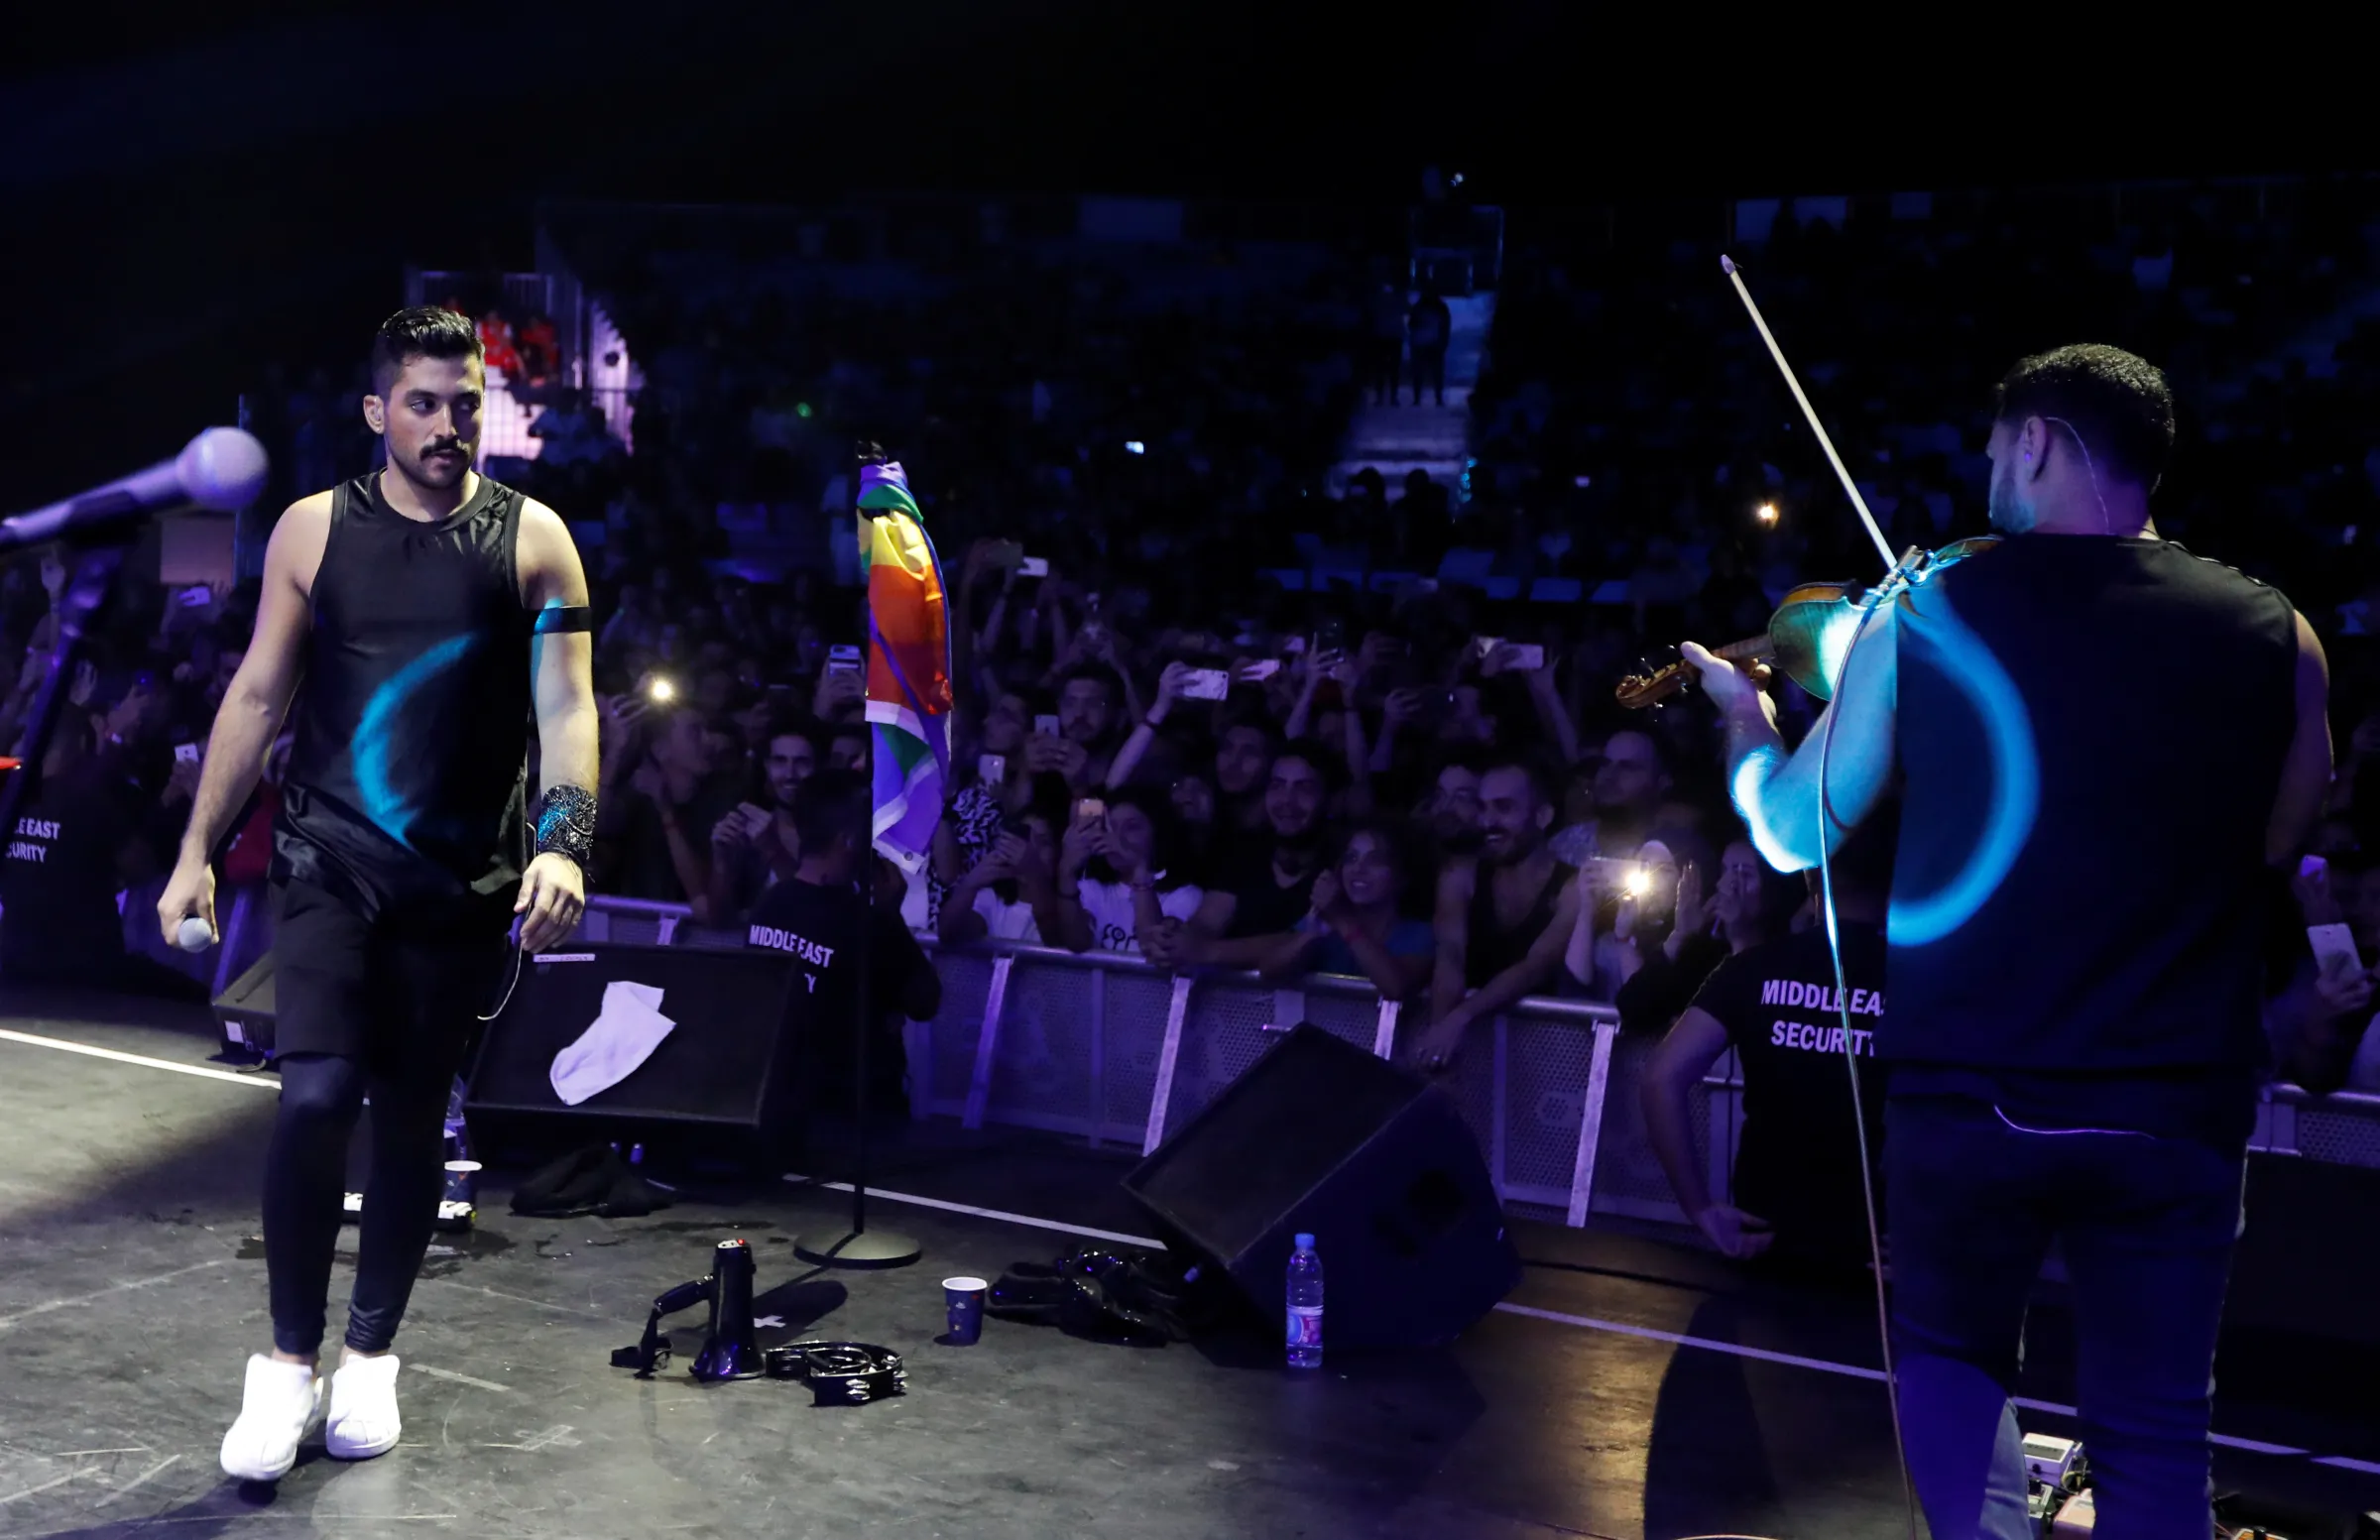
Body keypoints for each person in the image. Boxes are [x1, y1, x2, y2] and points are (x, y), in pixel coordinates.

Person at [1685, 344, 2330, 1537]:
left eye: (1993, 442)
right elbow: (2279, 839)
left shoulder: (1926, 609)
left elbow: (1788, 836)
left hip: (1973, 1097)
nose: (1986, 463)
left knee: (1954, 1386)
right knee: (2155, 1439)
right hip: (2176, 1101)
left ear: (2036, 439)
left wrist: (1743, 721)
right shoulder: (2280, 633)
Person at [159, 307, 595, 1482]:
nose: (449, 424)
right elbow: (256, 698)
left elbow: (568, 708)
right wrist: (197, 846)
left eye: (464, 403)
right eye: (425, 402)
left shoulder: (537, 539)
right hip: (326, 861)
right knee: (314, 1096)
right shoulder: (312, 531)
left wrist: (566, 842)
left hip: (459, 883)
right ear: (377, 411)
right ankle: (285, 1366)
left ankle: (369, 1357)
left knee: (408, 1122)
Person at [1639, 815, 1893, 1277]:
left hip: (1763, 1238)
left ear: (1811, 873)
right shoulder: (1927, 981)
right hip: (1884, 1250)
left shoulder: (1756, 967)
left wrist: (1701, 1210)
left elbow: (1660, 1079)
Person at [744, 770, 942, 1118]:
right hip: (855, 1113)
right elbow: (925, 1001)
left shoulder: (768, 905)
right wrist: (889, 917)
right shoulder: (867, 921)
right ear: (849, 840)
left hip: (782, 1101)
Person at [1412, 756, 1582, 1071]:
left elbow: (1537, 965)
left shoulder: (1573, 887)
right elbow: (1449, 958)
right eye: (1482, 807)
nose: (1487, 822)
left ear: (1543, 816)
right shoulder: (1459, 876)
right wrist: (1440, 1042)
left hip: (1547, 1056)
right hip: (1472, 1051)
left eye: (1503, 808)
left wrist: (1460, 1018)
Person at [1257, 819, 1435, 1000]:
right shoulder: (1326, 919)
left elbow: (1396, 988)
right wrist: (1312, 935)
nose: (1358, 868)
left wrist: (1343, 921)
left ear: (1402, 876)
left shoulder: (1419, 934)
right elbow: (1269, 971)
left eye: (1375, 860)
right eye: (1351, 858)